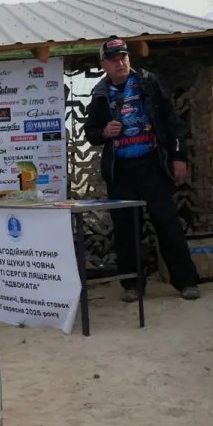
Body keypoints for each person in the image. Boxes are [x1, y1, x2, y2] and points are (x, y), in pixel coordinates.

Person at [84, 37, 201, 302]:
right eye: (114, 59)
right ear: (104, 65)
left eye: (123, 57)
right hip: (121, 172)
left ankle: (186, 282)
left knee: (167, 223)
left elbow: (172, 121)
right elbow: (91, 133)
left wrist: (179, 156)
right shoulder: (100, 94)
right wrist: (104, 132)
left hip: (152, 165)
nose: (120, 63)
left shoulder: (148, 82)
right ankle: (132, 286)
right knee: (126, 229)